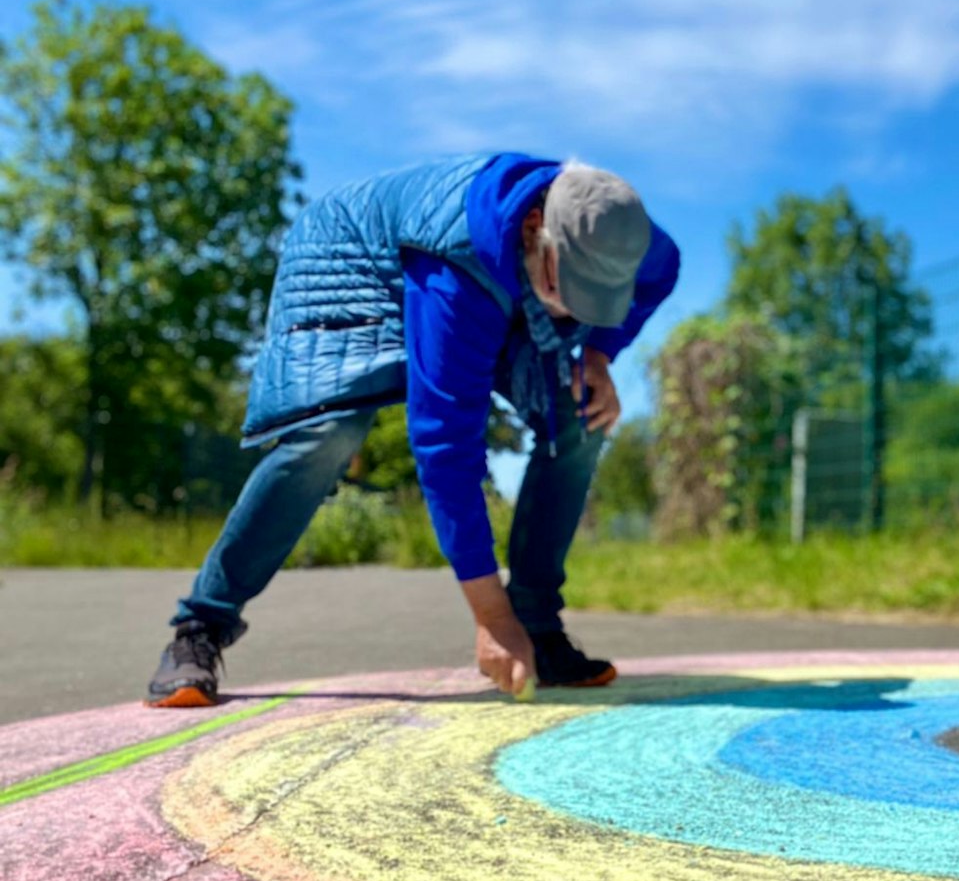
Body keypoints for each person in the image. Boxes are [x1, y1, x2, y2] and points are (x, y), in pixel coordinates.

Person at [145, 153, 680, 707]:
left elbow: (663, 274)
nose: (574, 311)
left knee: (580, 414)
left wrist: (597, 353)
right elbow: (446, 447)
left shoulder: (623, 231)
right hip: (351, 257)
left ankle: (540, 628)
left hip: (502, 273)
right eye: (568, 286)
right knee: (327, 436)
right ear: (533, 228)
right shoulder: (457, 270)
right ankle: (200, 627)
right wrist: (491, 619)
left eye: (594, 298)